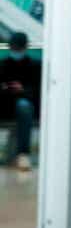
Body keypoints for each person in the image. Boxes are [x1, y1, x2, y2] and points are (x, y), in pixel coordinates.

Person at [1, 32, 40, 171]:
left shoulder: (34, 66)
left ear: (25, 48)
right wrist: (6, 89)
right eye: (13, 49)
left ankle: (23, 154)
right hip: (5, 103)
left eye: (18, 49)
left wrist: (22, 90)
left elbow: (37, 92)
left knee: (24, 106)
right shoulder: (3, 65)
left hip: (24, 105)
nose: (15, 52)